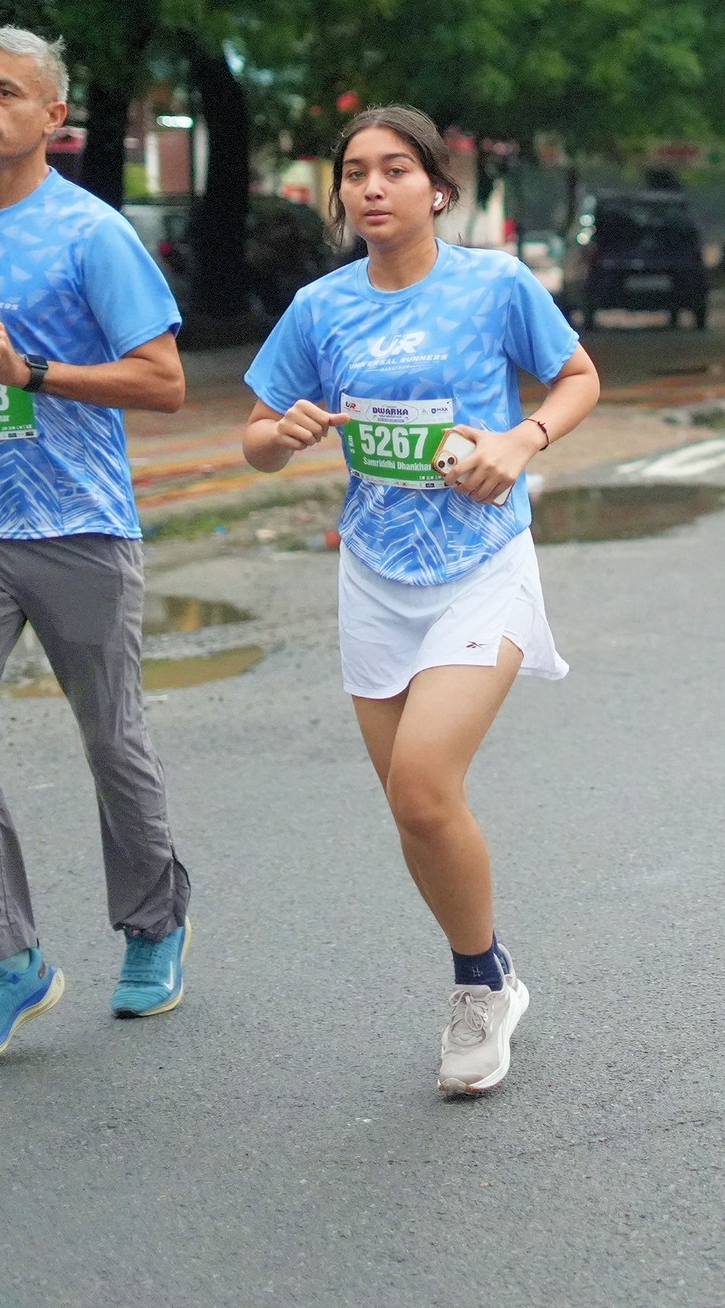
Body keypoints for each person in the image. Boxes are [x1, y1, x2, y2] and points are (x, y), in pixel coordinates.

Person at [243, 105, 601, 1095]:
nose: (372, 186)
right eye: (356, 171)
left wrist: (519, 441)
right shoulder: (320, 308)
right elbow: (257, 437)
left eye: (395, 169)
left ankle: (476, 992)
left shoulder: (495, 286)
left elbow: (578, 378)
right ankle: (491, 965)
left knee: (422, 785)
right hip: (374, 571)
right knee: (415, 815)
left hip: (482, 562)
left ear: (438, 189)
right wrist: (283, 436)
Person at [0, 28, 193, 1068]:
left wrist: (36, 373)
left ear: (53, 118)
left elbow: (163, 381)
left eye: (6, 92)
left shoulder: (92, 233)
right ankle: (7, 958)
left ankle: (152, 924)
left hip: (80, 524)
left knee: (112, 740)